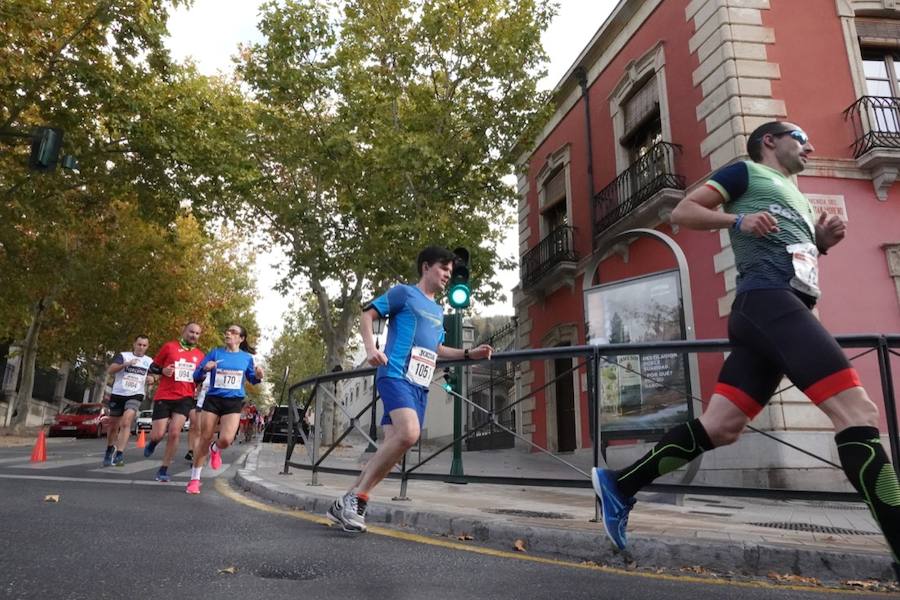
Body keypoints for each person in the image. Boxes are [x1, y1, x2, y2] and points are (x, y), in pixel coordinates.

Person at [590, 121, 900, 570]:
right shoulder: (745, 174)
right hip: (768, 305)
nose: (810, 144)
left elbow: (790, 252)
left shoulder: (794, 192)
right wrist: (738, 218)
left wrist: (821, 243)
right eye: (800, 135)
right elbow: (683, 213)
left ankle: (620, 484)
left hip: (776, 310)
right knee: (858, 414)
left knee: (721, 426)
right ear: (769, 141)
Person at [326, 246, 493, 532]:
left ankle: (343, 503)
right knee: (410, 433)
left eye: (450, 273)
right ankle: (359, 499)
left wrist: (469, 354)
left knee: (394, 449)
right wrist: (370, 348)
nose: (447, 276)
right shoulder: (403, 293)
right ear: (426, 267)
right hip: (395, 374)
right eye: (443, 269)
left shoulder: (439, 310)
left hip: (420, 383)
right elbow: (367, 315)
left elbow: (436, 348)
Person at [185, 324, 263, 494]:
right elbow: (196, 376)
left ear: (241, 339)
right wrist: (205, 369)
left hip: (233, 402)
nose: (228, 333)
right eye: (227, 331)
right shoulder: (215, 353)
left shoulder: (246, 358)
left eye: (233, 332)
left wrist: (258, 376)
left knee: (226, 440)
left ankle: (216, 449)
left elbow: (252, 379)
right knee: (205, 437)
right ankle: (194, 479)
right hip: (213, 399)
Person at [144, 322, 205, 482]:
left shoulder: (200, 355)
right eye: (191, 332)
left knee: (174, 433)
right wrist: (163, 371)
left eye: (197, 333)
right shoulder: (169, 347)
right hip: (164, 395)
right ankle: (153, 442)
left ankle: (163, 469)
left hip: (185, 397)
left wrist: (201, 378)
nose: (194, 335)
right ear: (184, 331)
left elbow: (200, 377)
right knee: (158, 433)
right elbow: (153, 366)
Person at [103, 335, 153, 467]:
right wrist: (125, 365)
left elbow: (153, 375)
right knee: (113, 426)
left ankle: (119, 454)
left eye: (144, 345)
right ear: (134, 344)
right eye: (139, 344)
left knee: (126, 422)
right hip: (118, 393)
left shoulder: (149, 361)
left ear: (147, 347)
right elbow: (110, 370)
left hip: (135, 394)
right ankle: (110, 449)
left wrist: (152, 379)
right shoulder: (123, 356)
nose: (141, 347)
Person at [186, 373, 209, 463]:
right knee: (194, 425)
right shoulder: (200, 368)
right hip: (195, 400)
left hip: (208, 402)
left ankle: (205, 450)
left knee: (206, 429)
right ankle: (192, 451)